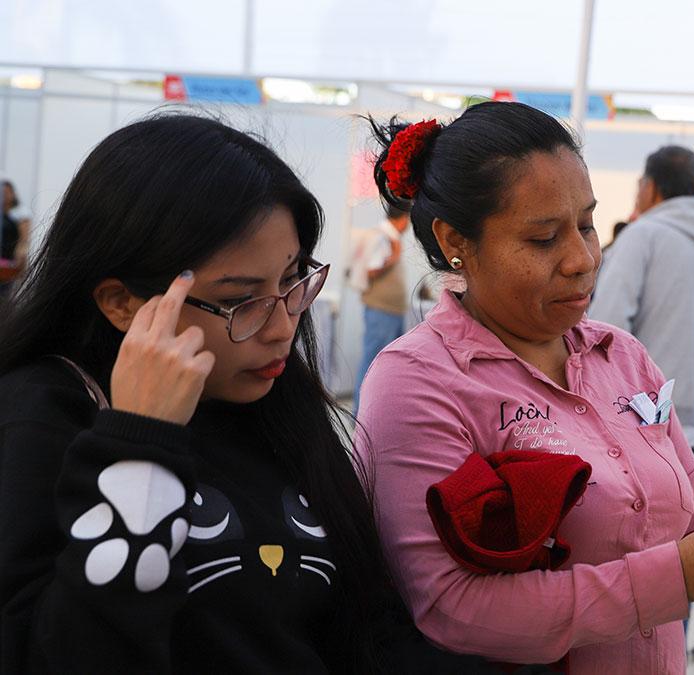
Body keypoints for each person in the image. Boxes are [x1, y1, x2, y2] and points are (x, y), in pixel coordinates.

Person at [0, 114, 486, 673]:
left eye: (291, 280)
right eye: (240, 300)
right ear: (122, 303)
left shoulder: (272, 399)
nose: (282, 326)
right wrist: (141, 442)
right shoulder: (46, 413)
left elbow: (370, 624)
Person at [355, 102, 694, 674]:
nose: (583, 259)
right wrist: (680, 576)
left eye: (588, 224)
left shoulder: (620, 356)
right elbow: (453, 606)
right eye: (544, 238)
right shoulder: (419, 383)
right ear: (456, 242)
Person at [590, 146, 694, 454]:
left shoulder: (642, 236)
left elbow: (606, 324)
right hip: (692, 425)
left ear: (652, 187)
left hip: (634, 419)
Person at [351, 200, 412, 408]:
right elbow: (370, 269)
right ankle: (360, 414)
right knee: (372, 362)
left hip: (391, 312)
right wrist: (393, 257)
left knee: (389, 366)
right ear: (404, 220)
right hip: (381, 311)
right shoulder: (382, 237)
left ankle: (379, 411)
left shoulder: (390, 238)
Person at [0, 180, 31, 297]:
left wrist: (21, 260)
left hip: (9, 263)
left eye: (7, 192)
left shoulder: (21, 213)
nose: (5, 195)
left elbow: (24, 239)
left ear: (13, 194)